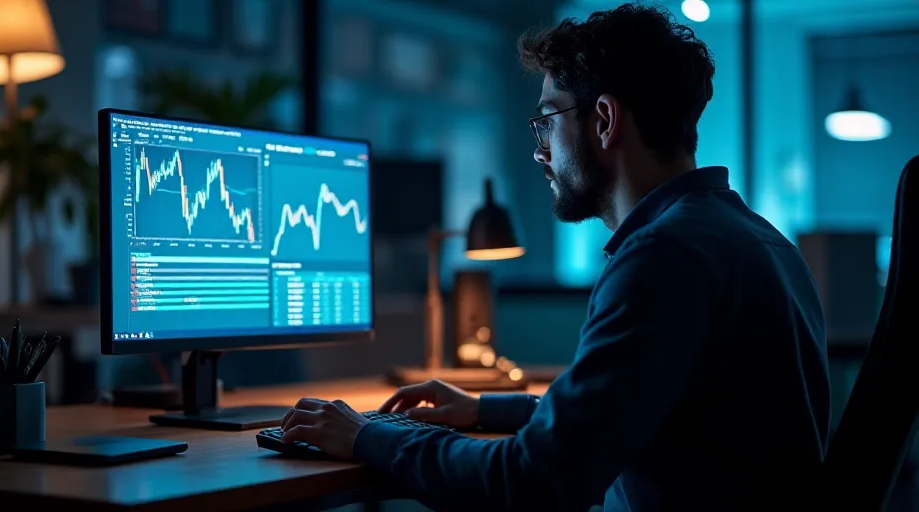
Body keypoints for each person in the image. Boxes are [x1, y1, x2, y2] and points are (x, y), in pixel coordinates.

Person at [280, 4, 830, 510]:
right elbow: (631, 414)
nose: (540, 150)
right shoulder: (756, 239)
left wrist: (368, 434)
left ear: (606, 121)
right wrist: (485, 409)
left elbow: (531, 481)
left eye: (547, 120)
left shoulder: (663, 259)